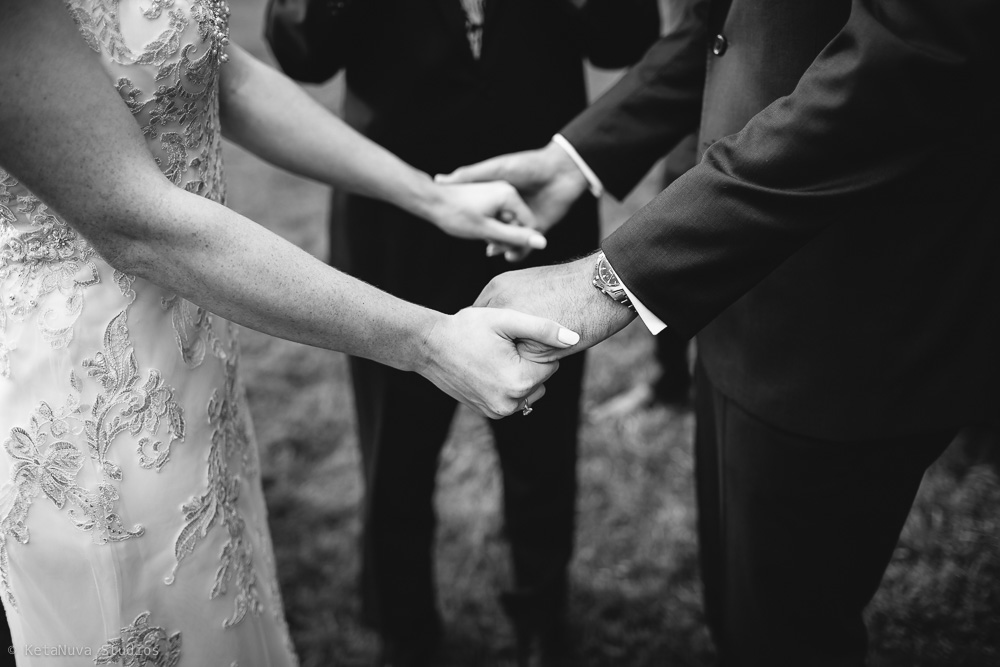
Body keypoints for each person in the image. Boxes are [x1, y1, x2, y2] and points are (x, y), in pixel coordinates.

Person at [0, 0, 581, 665]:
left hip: (196, 350)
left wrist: (430, 195)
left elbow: (228, 77)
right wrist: (426, 339)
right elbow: (137, 223)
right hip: (88, 395)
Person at [438, 0, 1000, 664]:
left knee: (788, 632)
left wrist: (613, 279)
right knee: (742, 610)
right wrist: (578, 158)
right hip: (739, 300)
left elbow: (905, 64)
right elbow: (724, 26)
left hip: (847, 311)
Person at [265, 2, 659, 665]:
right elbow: (302, 50)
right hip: (392, 210)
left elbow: (625, 38)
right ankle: (405, 628)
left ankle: (542, 612)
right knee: (395, 445)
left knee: (544, 428)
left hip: (541, 203)